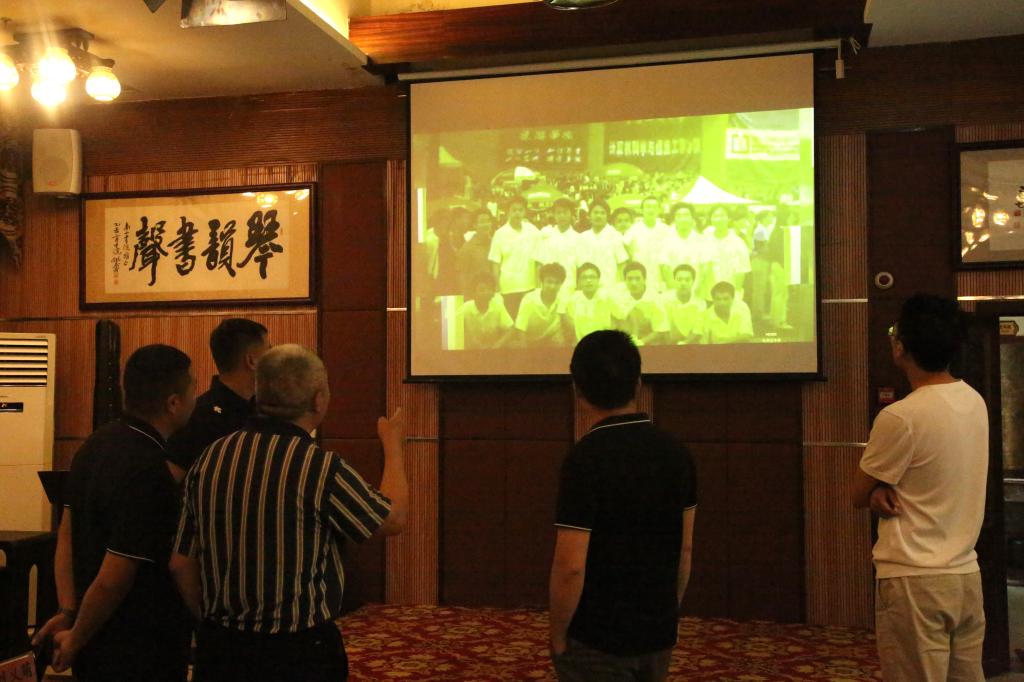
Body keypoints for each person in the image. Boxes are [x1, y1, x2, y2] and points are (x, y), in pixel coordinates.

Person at [170, 344, 408, 682]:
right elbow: (392, 519)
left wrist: (212, 625)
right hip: (297, 653)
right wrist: (393, 446)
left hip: (221, 650)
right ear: (318, 400)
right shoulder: (318, 467)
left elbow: (180, 562)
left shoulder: (211, 458)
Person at [34, 344, 197, 681]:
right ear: (173, 402)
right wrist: (76, 638)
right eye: (192, 390)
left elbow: (66, 536)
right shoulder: (149, 468)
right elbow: (116, 574)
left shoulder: (93, 445)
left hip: (94, 635)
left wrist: (69, 611)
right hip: (139, 643)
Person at [851, 295, 987, 682]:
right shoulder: (974, 401)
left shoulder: (901, 416)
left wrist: (875, 492)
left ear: (901, 347)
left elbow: (857, 494)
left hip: (914, 578)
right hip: (965, 573)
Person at [550, 330, 697, 682]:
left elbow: (571, 566)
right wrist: (666, 615)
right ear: (638, 383)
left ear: (578, 390)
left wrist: (557, 634)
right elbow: (685, 549)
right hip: (657, 633)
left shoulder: (584, 459)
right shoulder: (677, 453)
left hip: (596, 638)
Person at [166, 318, 269, 480]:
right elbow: (170, 481)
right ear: (251, 361)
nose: (274, 360)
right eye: (269, 351)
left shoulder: (266, 411)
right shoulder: (197, 418)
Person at [489, 196, 540, 318]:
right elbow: (495, 263)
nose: (517, 213)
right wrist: (497, 288)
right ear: (508, 212)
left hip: (529, 286)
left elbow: (539, 259)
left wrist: (538, 286)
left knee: (528, 321)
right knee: (511, 322)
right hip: (508, 288)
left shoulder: (533, 230)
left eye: (520, 210)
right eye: (514, 210)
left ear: (525, 212)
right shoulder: (500, 234)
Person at [660, 204, 711, 296]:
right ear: (674, 220)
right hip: (673, 292)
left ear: (692, 219)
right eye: (679, 216)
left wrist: (696, 288)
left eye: (686, 215)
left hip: (696, 291)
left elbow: (705, 267)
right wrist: (674, 288)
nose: (683, 219)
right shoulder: (666, 241)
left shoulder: (702, 240)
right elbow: (665, 268)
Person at [576, 200, 628, 291]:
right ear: (589, 215)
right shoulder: (583, 237)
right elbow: (579, 265)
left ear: (607, 216)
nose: (599, 216)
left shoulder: (615, 236)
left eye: (602, 213)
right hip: (587, 288)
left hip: (610, 287)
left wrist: (619, 286)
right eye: (595, 212)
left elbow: (622, 264)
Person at [703, 205, 751, 302]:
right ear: (711, 219)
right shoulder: (704, 240)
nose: (719, 219)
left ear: (729, 219)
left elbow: (742, 270)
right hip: (709, 293)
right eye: (715, 216)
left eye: (722, 215)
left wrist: (736, 293)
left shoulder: (738, 242)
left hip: (730, 294)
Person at [514, 262, 568, 347]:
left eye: (557, 283)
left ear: (561, 284)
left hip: (551, 343)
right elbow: (520, 329)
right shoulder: (529, 299)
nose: (552, 286)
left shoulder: (564, 299)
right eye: (549, 282)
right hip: (530, 342)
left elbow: (567, 326)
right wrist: (525, 351)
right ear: (542, 282)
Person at [615, 261, 669, 346]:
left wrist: (641, 342)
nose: (633, 283)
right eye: (629, 279)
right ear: (625, 280)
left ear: (644, 280)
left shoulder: (656, 299)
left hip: (650, 344)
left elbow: (660, 330)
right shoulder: (620, 298)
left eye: (637, 278)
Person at [626, 197, 672, 293]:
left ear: (659, 210)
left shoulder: (666, 230)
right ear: (642, 210)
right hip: (640, 275)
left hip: (661, 275)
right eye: (648, 206)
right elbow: (628, 254)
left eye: (654, 207)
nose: (651, 209)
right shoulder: (633, 230)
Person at [564, 262, 618, 343]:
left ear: (598, 280)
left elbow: (620, 320)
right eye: (584, 277)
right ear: (579, 281)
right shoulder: (572, 301)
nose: (588, 280)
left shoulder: (607, 299)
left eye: (592, 277)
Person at [462, 272, 514, 349]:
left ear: (493, 293)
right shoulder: (465, 308)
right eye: (482, 290)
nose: (486, 293)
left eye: (489, 289)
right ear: (473, 292)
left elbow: (511, 329)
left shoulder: (498, 306)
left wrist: (498, 345)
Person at [537, 198, 581, 290]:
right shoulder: (546, 235)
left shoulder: (578, 238)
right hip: (548, 287)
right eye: (558, 212)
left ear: (571, 214)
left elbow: (580, 268)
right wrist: (538, 287)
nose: (562, 215)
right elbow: (539, 264)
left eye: (565, 212)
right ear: (554, 215)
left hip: (569, 287)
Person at [457, 209, 497, 297]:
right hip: (475, 296)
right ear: (474, 225)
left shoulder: (496, 244)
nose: (486, 225)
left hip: (493, 294)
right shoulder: (467, 248)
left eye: (488, 221)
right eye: (482, 222)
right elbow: (462, 276)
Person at [662, 265, 705, 344]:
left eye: (687, 280)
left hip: (690, 343)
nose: (683, 283)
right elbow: (662, 326)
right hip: (668, 342)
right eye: (679, 279)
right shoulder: (664, 299)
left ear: (693, 281)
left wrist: (685, 343)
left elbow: (697, 330)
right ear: (674, 280)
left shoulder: (700, 303)